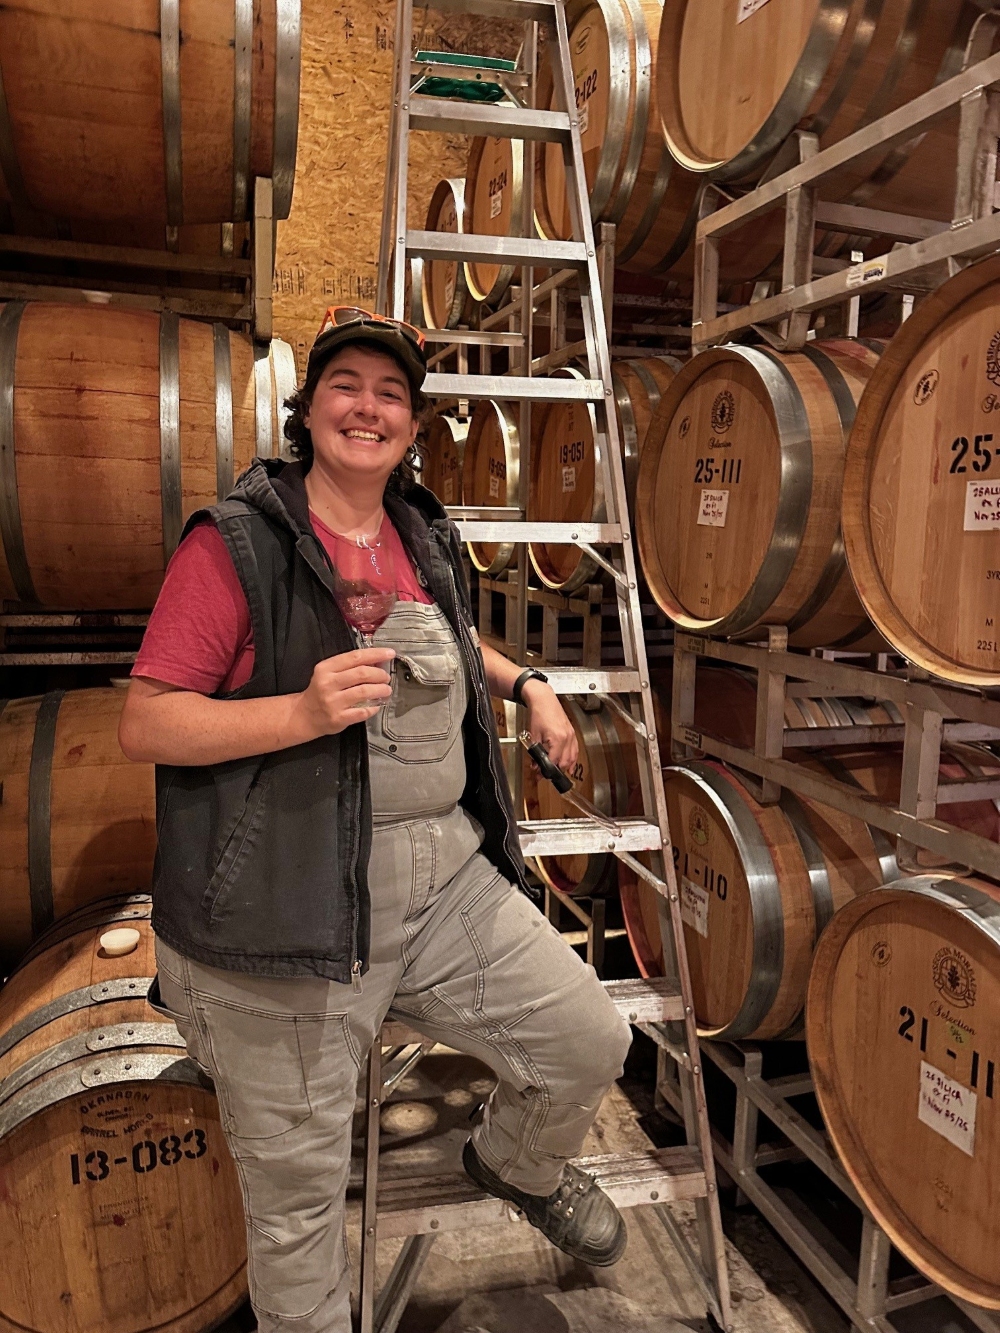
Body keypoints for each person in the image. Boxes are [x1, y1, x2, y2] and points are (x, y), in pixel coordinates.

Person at [119, 306, 632, 1333]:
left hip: (438, 876)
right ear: (308, 411)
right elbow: (147, 721)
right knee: (299, 1207)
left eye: (391, 393)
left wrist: (526, 680)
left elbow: (445, 644)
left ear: (413, 423)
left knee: (588, 1036)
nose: (369, 406)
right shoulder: (238, 545)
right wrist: (300, 712)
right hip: (287, 902)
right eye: (347, 385)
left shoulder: (416, 530)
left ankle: (512, 1160)